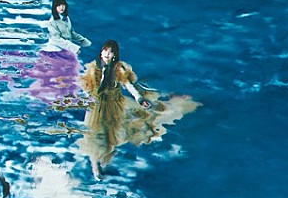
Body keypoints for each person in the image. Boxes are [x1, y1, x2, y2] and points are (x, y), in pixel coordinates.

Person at [78, 40, 198, 180]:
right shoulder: (93, 69)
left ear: (115, 55)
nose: (107, 54)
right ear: (101, 52)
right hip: (96, 107)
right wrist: (88, 98)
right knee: (94, 136)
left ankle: (104, 157)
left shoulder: (118, 69)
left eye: (111, 52)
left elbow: (129, 86)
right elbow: (86, 87)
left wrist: (139, 99)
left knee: (112, 135)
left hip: (113, 106)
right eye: (105, 50)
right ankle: (95, 166)